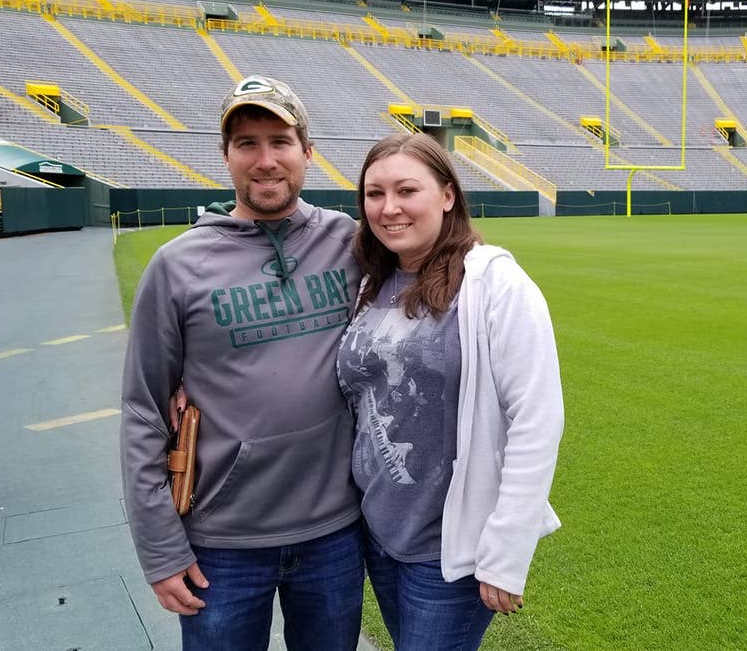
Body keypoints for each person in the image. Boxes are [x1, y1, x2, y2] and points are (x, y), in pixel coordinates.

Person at [120, 75, 364, 650]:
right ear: (226, 156)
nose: (265, 160)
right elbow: (141, 410)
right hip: (220, 543)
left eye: (280, 141)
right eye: (247, 143)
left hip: (335, 533)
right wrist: (159, 548)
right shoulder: (176, 266)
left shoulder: (350, 242)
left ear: (307, 152)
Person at [337, 133, 564, 649]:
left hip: (448, 552)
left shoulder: (494, 284)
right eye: (374, 194)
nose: (389, 207)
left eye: (406, 190)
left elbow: (537, 417)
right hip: (379, 536)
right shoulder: (373, 283)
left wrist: (506, 551)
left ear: (447, 195)